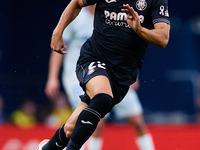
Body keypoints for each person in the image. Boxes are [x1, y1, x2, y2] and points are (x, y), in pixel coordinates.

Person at [37, 0, 170, 149]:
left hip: (123, 74)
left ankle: (47, 148)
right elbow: (77, 3)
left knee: (72, 127)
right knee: (103, 98)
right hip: (94, 58)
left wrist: (139, 29)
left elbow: (163, 39)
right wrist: (58, 31)